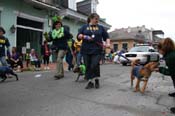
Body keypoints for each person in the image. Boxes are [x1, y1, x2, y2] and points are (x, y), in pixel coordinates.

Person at [77, 13, 111, 89]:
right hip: (86, 50)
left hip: (97, 50)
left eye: (98, 19)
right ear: (91, 19)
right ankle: (90, 82)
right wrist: (84, 36)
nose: (97, 21)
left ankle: (96, 79)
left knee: (94, 64)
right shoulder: (84, 27)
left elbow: (106, 37)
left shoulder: (101, 27)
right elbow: (78, 36)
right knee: (88, 66)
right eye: (96, 19)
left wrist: (108, 43)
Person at [156, 37, 175, 114]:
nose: (159, 52)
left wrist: (159, 70)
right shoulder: (170, 54)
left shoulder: (171, 56)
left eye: (159, 50)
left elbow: (171, 72)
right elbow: (163, 62)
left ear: (164, 48)